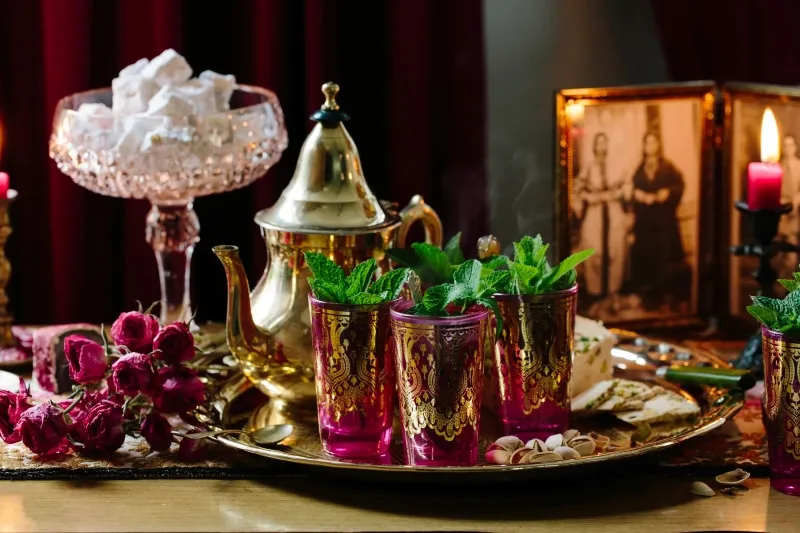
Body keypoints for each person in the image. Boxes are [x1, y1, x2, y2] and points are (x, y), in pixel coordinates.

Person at [628, 132, 689, 311]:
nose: (650, 146)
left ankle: (667, 296)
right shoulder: (640, 168)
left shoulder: (667, 167)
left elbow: (679, 185)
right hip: (645, 224)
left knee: (666, 256)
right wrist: (638, 195)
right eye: (647, 143)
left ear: (658, 145)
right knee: (647, 257)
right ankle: (650, 298)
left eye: (653, 142)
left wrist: (668, 192)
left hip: (664, 222)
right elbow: (632, 189)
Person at [572, 132, 631, 314]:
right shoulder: (588, 169)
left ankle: (613, 294)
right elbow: (577, 191)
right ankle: (597, 296)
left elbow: (627, 187)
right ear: (594, 147)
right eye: (598, 143)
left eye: (604, 143)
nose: (602, 147)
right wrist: (589, 198)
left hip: (613, 212)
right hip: (595, 214)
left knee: (615, 251)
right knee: (594, 252)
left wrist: (619, 195)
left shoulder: (616, 167)